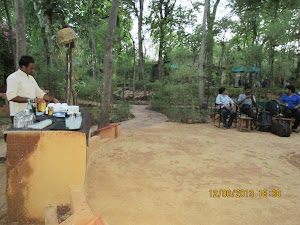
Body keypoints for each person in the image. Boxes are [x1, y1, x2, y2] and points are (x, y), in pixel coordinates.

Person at [6, 55, 59, 121]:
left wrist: (52, 99)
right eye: (31, 69)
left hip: (31, 114)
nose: (33, 71)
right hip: (19, 115)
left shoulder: (31, 78)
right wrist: (32, 100)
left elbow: (40, 93)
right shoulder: (13, 78)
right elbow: (11, 97)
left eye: (33, 68)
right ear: (23, 67)